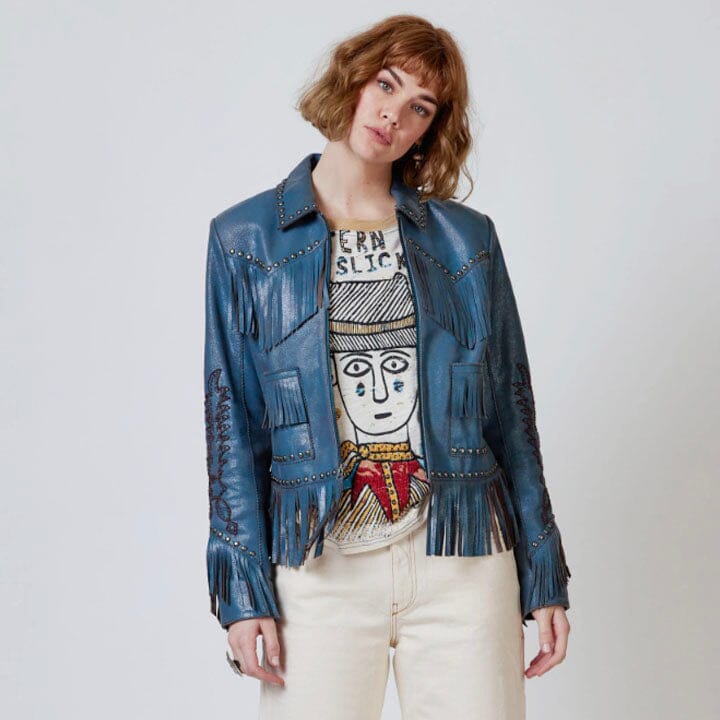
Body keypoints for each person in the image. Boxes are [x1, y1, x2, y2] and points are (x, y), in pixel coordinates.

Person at [203, 14, 571, 719]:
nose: (393, 114)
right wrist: (243, 592)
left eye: (420, 107)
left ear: (431, 129)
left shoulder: (467, 241)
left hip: (463, 558)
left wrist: (543, 568)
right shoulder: (246, 239)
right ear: (352, 78)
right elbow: (233, 423)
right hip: (320, 565)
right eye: (386, 84)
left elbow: (511, 411)